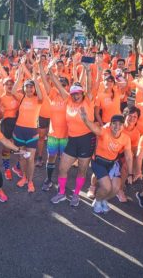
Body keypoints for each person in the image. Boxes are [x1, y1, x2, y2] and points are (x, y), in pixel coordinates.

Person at [50, 63, 96, 207]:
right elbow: (58, 86)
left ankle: (76, 194)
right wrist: (51, 72)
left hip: (86, 140)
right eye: (74, 92)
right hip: (72, 140)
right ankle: (61, 193)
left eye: (78, 92)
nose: (76, 95)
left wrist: (88, 71)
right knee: (63, 168)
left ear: (82, 93)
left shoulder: (88, 101)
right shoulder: (68, 100)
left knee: (82, 170)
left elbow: (89, 86)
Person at [81, 112, 133, 213]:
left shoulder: (126, 138)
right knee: (106, 187)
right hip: (98, 162)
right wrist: (85, 119)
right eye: (114, 123)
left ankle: (102, 199)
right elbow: (94, 128)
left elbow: (129, 157)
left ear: (123, 126)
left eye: (120, 124)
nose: (117, 126)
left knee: (116, 188)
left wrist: (130, 173)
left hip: (111, 164)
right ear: (110, 124)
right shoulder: (104, 131)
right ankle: (98, 202)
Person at [11, 60, 43, 193]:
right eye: (27, 87)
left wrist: (34, 78)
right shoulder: (22, 98)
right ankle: (24, 177)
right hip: (19, 131)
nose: (29, 89)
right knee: (21, 157)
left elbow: (40, 94)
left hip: (32, 133)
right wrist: (19, 78)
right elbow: (13, 91)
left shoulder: (38, 100)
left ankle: (30, 181)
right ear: (24, 89)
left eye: (31, 87)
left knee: (30, 159)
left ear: (34, 88)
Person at [41, 70, 70, 191]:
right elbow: (44, 80)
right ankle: (48, 180)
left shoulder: (68, 98)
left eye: (63, 84)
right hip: (53, 134)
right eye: (59, 83)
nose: (60, 86)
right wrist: (41, 66)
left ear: (67, 86)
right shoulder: (52, 94)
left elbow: (58, 87)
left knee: (63, 162)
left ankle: (61, 183)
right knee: (51, 157)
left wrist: (54, 78)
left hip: (65, 136)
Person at [115, 106, 141, 202]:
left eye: (135, 116)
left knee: (127, 164)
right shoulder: (118, 126)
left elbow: (133, 151)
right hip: (111, 151)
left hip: (123, 154)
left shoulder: (136, 133)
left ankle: (120, 189)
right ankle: (93, 185)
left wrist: (132, 165)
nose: (132, 118)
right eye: (130, 115)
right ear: (125, 116)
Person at [0, 77, 19, 181]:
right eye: (7, 84)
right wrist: (1, 113)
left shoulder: (17, 95)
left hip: (18, 122)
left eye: (11, 84)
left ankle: (18, 167)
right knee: (7, 147)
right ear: (4, 86)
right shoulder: (1, 98)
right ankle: (7, 169)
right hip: (7, 123)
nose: (9, 86)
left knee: (20, 145)